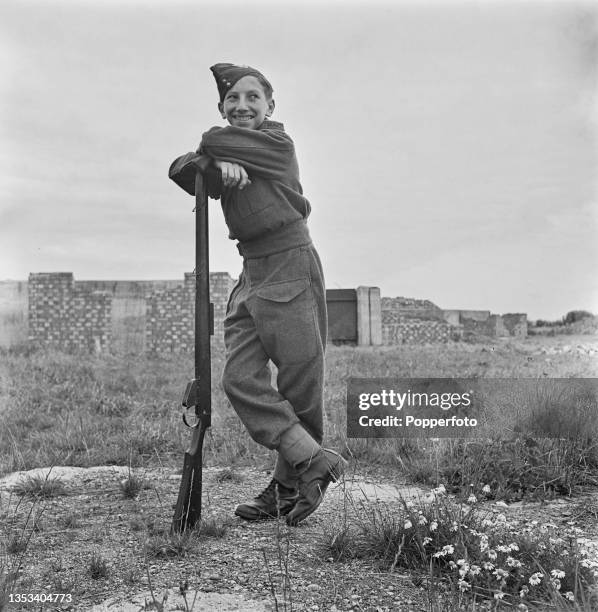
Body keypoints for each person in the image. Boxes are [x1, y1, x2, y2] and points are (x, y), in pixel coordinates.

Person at [169, 63, 346, 526]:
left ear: (271, 106)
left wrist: (213, 151)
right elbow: (179, 169)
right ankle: (313, 462)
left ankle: (287, 488)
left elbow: (210, 139)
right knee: (239, 379)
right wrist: (209, 163)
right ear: (223, 106)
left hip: (289, 261)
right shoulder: (231, 148)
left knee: (299, 388)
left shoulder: (277, 145)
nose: (242, 106)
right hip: (251, 272)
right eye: (232, 100)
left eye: (252, 98)